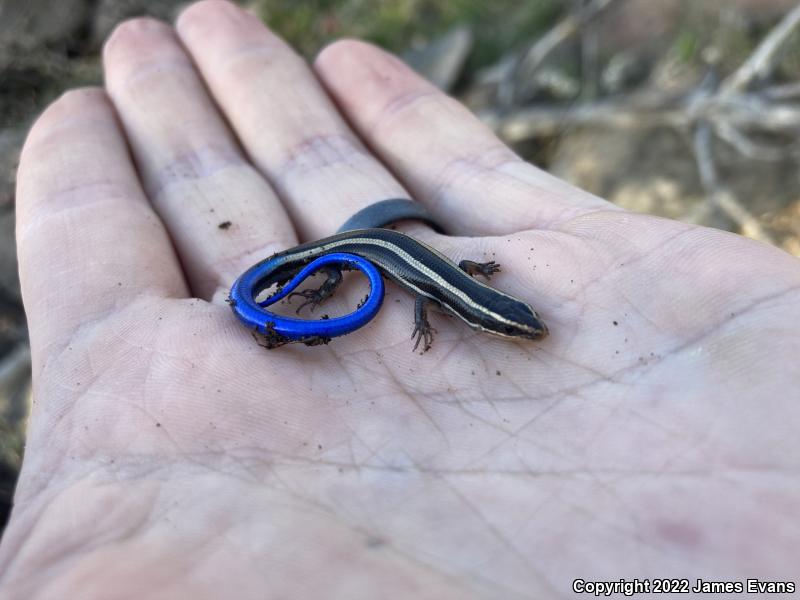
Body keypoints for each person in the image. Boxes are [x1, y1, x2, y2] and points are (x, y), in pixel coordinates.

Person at [1, 1, 798, 597]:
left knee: (345, 266)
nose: (528, 329)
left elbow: (444, 292)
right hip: (365, 252)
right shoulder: (454, 307)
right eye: (521, 329)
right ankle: (284, 290)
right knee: (326, 269)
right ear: (496, 323)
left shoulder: (475, 305)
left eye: (520, 327)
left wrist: (469, 276)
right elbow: (430, 298)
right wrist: (437, 292)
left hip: (385, 251)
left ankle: (303, 279)